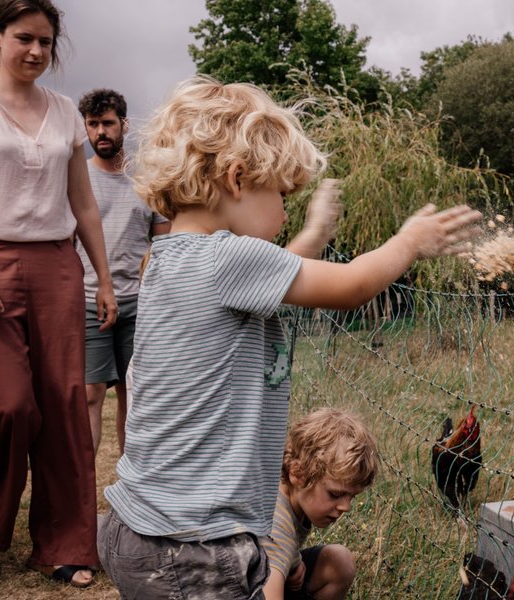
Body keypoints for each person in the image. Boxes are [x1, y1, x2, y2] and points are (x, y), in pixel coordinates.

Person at [96, 75, 480, 599]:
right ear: (236, 179)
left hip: (138, 526)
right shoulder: (226, 257)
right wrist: (409, 242)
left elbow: (270, 278)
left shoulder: (164, 259)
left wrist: (314, 235)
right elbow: (351, 286)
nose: (283, 212)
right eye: (281, 194)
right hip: (195, 544)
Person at [0, 0, 117, 589]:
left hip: (56, 268)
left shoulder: (66, 112)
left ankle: (64, 543)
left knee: (65, 407)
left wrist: (102, 278)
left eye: (46, 42)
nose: (37, 52)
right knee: (8, 405)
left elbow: (83, 204)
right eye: (25, 38)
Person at [76, 88, 170, 454]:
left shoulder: (146, 182)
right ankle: (84, 483)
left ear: (124, 125)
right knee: (90, 393)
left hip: (138, 302)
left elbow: (164, 243)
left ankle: (131, 476)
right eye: (93, 124)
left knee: (133, 392)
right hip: (88, 300)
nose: (101, 131)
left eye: (108, 123)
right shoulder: (77, 178)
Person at [262, 408, 378, 600]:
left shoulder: (284, 491)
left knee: (339, 562)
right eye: (335, 494)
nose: (346, 507)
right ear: (298, 474)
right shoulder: (275, 531)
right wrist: (284, 562)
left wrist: (293, 560)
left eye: (352, 497)